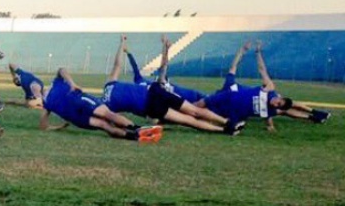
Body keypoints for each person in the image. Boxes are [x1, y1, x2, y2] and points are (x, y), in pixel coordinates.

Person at [104, 35, 243, 135]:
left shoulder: (108, 106)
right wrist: (121, 44)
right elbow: (117, 65)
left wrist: (133, 128)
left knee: (189, 120)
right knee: (193, 113)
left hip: (153, 101)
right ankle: (227, 123)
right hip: (155, 94)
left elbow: (116, 120)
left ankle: (225, 127)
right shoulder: (109, 85)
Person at [196, 41, 331, 131]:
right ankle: (312, 116)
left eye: (277, 101)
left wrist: (248, 51)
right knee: (284, 110)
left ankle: (313, 113)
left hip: (233, 112)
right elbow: (267, 116)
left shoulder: (264, 92)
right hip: (229, 111)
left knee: (286, 106)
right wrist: (243, 50)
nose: (276, 101)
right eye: (278, 101)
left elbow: (243, 67)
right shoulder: (230, 88)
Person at [39, 68, 163, 142]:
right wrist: (72, 84)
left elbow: (43, 126)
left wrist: (59, 127)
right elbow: (62, 70)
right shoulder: (54, 85)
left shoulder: (46, 103)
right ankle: (138, 129)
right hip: (78, 99)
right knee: (107, 114)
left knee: (103, 125)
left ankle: (135, 137)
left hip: (74, 116)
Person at [125, 40, 205, 104]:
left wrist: (129, 53)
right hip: (187, 99)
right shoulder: (151, 90)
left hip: (189, 97)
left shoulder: (142, 82)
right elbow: (163, 67)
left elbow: (134, 66)